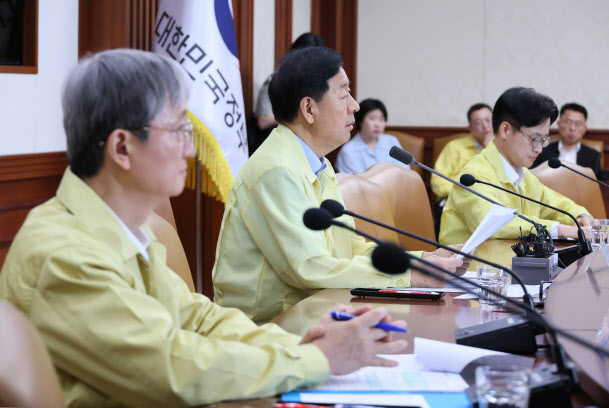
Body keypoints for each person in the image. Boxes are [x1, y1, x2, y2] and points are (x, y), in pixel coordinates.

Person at [0, 49, 409, 407]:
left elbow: (197, 318)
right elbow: (170, 369)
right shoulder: (65, 254)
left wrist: (300, 343)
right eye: (179, 130)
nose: (190, 148)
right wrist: (315, 359)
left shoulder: (123, 229)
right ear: (122, 147)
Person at [213, 46, 469, 324]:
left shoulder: (318, 162)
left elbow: (348, 247)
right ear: (309, 109)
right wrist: (410, 275)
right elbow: (310, 267)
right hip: (266, 327)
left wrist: (421, 260)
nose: (355, 106)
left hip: (315, 312)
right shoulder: (276, 170)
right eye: (344, 94)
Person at [439, 87, 591, 267]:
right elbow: (495, 224)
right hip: (470, 277)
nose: (539, 149)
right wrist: (562, 230)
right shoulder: (474, 175)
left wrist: (580, 217)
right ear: (505, 130)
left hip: (514, 274)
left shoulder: (524, 176)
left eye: (544, 140)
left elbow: (558, 205)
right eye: (534, 139)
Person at [250, 32, 325, 155]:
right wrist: (296, 116)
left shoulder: (318, 83)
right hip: (277, 148)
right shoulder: (277, 80)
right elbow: (263, 120)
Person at [430, 103, 493, 237]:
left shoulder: (504, 148)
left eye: (488, 120)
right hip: (455, 201)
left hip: (491, 201)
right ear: (470, 128)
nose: (485, 126)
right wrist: (463, 192)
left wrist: (491, 150)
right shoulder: (454, 147)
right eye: (478, 122)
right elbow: (437, 182)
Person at [531, 102, 607, 179]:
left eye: (578, 124)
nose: (572, 128)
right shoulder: (542, 152)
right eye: (568, 122)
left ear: (585, 129)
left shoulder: (593, 156)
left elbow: (597, 180)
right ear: (559, 124)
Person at [334, 98, 410, 173]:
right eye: (372, 118)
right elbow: (354, 180)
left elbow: (406, 171)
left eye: (381, 119)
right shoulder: (348, 151)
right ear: (360, 121)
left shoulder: (391, 141)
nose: (377, 124)